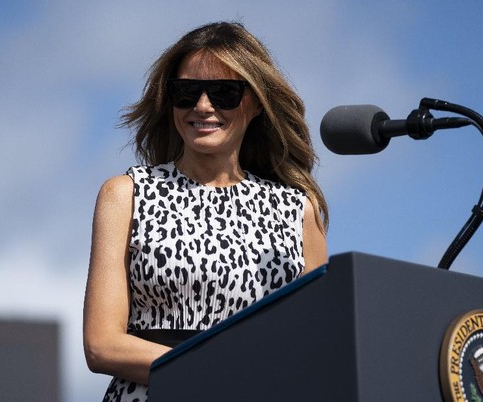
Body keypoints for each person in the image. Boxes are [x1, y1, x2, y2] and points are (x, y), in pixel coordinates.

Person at [83, 21, 328, 402]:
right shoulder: (127, 195)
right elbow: (102, 345)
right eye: (186, 92)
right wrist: (220, 371)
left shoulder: (298, 210)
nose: (202, 106)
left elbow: (317, 347)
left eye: (224, 93)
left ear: (256, 103)